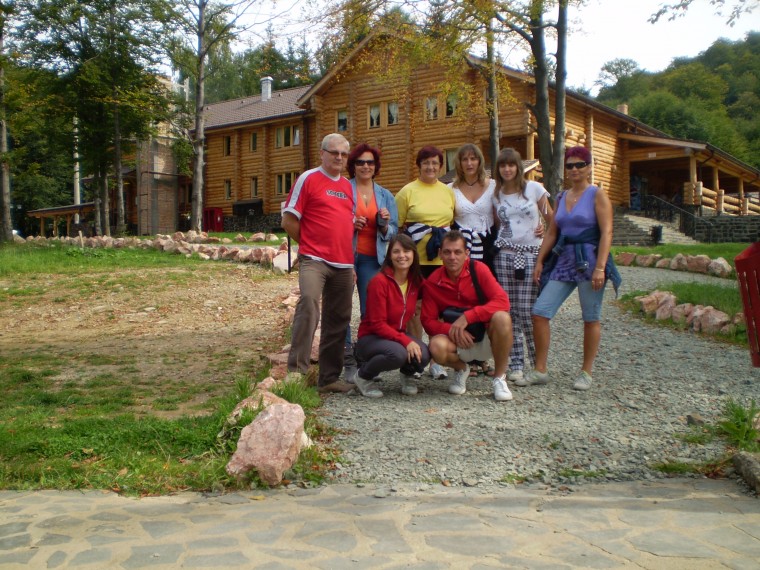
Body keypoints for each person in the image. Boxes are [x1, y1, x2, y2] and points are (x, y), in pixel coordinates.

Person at [530, 146, 621, 391]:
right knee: (540, 312)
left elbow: (607, 232)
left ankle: (586, 372)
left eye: (580, 165)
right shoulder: (561, 197)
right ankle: (540, 369)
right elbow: (552, 231)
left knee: (591, 316)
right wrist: (540, 260)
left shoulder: (597, 195)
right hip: (564, 260)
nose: (574, 169)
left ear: (589, 167)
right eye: (570, 165)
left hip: (590, 260)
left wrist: (600, 267)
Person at [282, 133, 356, 393]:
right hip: (314, 260)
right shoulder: (308, 178)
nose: (339, 157)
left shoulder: (348, 186)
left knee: (339, 319)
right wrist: (310, 244)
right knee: (309, 304)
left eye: (344, 154)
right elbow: (288, 220)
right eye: (334, 152)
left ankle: (329, 379)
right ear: (322, 153)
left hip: (344, 264)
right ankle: (296, 372)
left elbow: (344, 224)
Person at [421, 230, 515, 402]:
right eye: (447, 252)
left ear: (467, 253)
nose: (452, 257)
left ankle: (500, 378)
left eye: (457, 252)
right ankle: (461, 369)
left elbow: (503, 301)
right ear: (440, 254)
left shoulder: (479, 270)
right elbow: (427, 321)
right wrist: (453, 329)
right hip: (456, 340)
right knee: (435, 346)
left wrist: (468, 317)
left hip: (486, 336)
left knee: (502, 318)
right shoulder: (433, 282)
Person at [491, 148, 553, 387]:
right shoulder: (496, 195)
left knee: (528, 311)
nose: (507, 169)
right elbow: (498, 224)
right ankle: (515, 364)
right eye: (503, 165)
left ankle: (538, 363)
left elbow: (552, 220)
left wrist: (543, 231)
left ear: (518, 167)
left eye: (511, 165)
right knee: (509, 311)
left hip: (530, 255)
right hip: (504, 256)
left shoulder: (534, 189)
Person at [395, 145, 455, 381]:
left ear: (440, 166)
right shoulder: (407, 192)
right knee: (415, 309)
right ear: (419, 165)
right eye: (426, 163)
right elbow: (397, 227)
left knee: (439, 310)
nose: (430, 167)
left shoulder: (448, 192)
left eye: (435, 163)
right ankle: (417, 357)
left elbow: (453, 223)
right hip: (416, 261)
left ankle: (437, 361)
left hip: (442, 260)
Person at [342, 144, 399, 383]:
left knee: (370, 311)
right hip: (344, 256)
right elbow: (333, 223)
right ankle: (347, 359)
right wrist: (350, 225)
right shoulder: (343, 189)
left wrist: (384, 226)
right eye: (360, 162)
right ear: (353, 166)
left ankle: (365, 359)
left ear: (376, 167)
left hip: (372, 259)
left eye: (370, 162)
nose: (365, 166)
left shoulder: (385, 195)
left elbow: (394, 231)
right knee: (343, 309)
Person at [354, 234, 430, 397]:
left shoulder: (415, 281)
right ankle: (363, 376)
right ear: (389, 256)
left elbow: (435, 293)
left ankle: (407, 375)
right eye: (396, 251)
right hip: (371, 337)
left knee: (424, 354)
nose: (402, 255)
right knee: (397, 355)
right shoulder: (379, 282)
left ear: (414, 254)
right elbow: (377, 324)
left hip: (396, 334)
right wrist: (406, 341)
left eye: (406, 251)